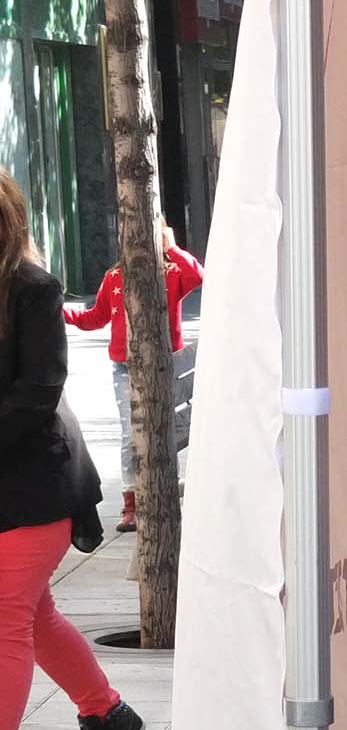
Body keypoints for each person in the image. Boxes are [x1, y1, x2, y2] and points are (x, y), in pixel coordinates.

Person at [0, 168, 145, 730]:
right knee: (33, 615)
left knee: (6, 617)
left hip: (36, 482)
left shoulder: (31, 286)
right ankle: (106, 713)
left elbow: (39, 390)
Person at [63, 222, 203, 533]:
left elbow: (197, 276)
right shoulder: (114, 277)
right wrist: (63, 312)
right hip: (124, 366)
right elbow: (96, 317)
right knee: (131, 434)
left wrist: (172, 248)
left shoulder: (171, 272)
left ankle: (164, 492)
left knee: (164, 428)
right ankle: (131, 504)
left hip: (165, 363)